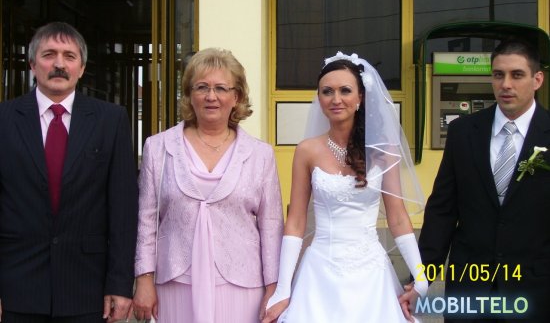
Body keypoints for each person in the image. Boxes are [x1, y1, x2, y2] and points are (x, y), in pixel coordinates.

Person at [262, 52, 426, 323]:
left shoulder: (383, 152)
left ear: (360, 97)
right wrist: (283, 288)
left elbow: (397, 216)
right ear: (319, 98)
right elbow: (296, 221)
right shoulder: (307, 150)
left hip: (371, 273)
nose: (335, 99)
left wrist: (420, 277)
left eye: (345, 90)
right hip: (320, 271)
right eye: (327, 91)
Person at [0, 22, 138, 322]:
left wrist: (120, 284)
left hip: (87, 288)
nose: (59, 64)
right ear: (32, 64)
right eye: (49, 54)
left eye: (69, 56)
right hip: (17, 285)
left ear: (82, 67)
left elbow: (123, 210)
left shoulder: (110, 120)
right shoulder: (4, 120)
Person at [133, 48, 284, 323]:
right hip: (176, 282)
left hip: (241, 283)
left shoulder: (260, 154)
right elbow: (146, 220)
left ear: (236, 96)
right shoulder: (158, 147)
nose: (211, 96)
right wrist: (144, 278)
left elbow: (271, 226)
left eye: (221, 88)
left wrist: (274, 288)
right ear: (189, 95)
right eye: (201, 87)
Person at [418, 38, 550, 322]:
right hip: (469, 287)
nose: (506, 84)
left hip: (535, 289)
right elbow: (442, 210)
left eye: (517, 75)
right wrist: (422, 278)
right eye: (498, 75)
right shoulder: (463, 132)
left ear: (537, 79)